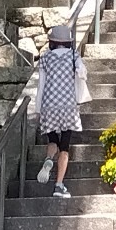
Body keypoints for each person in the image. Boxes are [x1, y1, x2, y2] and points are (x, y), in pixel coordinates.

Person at [35, 24, 87, 199]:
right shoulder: (73, 56)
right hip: (67, 105)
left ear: (52, 42)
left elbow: (40, 85)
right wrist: (79, 71)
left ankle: (49, 158)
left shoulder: (45, 58)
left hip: (49, 104)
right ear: (67, 42)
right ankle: (58, 185)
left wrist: (38, 108)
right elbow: (82, 73)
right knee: (64, 146)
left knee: (52, 139)